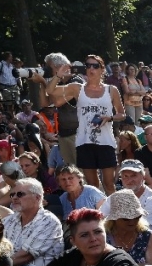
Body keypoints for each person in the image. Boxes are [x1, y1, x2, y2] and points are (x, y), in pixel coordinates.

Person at [46, 55, 126, 195]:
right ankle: (97, 213)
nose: (91, 69)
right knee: (92, 185)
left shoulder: (111, 90)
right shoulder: (77, 88)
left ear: (102, 69)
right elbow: (50, 91)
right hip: (84, 142)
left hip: (106, 141)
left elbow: (122, 114)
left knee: (109, 184)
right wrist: (58, 75)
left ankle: (114, 214)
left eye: (95, 66)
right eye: (88, 65)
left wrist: (109, 117)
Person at [3, 178, 64, 266]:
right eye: (12, 194)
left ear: (37, 198)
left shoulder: (48, 221)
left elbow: (25, 256)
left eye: (20, 194)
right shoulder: (8, 220)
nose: (14, 198)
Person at [104, 189, 152, 266]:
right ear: (114, 219)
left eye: (137, 217)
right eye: (126, 218)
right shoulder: (103, 236)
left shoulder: (147, 235)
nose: (132, 222)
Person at [100, 158, 152, 231]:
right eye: (125, 176)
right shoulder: (115, 197)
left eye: (134, 175)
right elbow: (100, 218)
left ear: (143, 177)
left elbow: (141, 227)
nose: (129, 180)